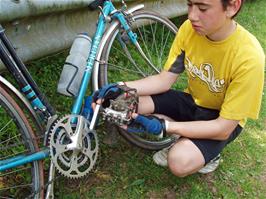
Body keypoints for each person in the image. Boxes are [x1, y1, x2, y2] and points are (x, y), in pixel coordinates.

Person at [92, 0, 265, 177]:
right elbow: (164, 80)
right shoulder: (189, 29)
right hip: (192, 102)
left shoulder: (250, 58)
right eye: (190, 5)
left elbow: (223, 128)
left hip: (221, 119)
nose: (191, 16)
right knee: (119, 102)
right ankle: (184, 135)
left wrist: (165, 126)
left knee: (179, 161)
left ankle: (205, 153)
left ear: (232, 6)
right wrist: (120, 87)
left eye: (203, 8)